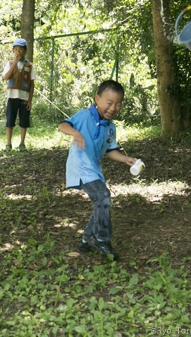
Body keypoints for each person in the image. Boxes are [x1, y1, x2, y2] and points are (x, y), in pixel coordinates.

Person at [58, 80, 138, 261]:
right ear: (97, 99)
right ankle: (102, 239)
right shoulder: (84, 115)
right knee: (103, 197)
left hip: (94, 170)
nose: (113, 108)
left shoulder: (110, 127)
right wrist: (75, 133)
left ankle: (86, 240)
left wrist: (126, 159)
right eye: (109, 103)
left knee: (100, 203)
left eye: (118, 104)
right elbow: (63, 125)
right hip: (79, 167)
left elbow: (111, 151)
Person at [2, 38, 36, 151]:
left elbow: (32, 84)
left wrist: (30, 100)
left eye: (21, 49)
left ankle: (22, 143)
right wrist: (15, 63)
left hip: (24, 97)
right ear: (13, 51)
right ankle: (8, 143)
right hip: (12, 96)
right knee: (10, 119)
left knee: (24, 120)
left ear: (25, 51)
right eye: (16, 50)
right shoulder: (10, 63)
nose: (18, 52)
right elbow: (6, 77)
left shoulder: (30, 66)